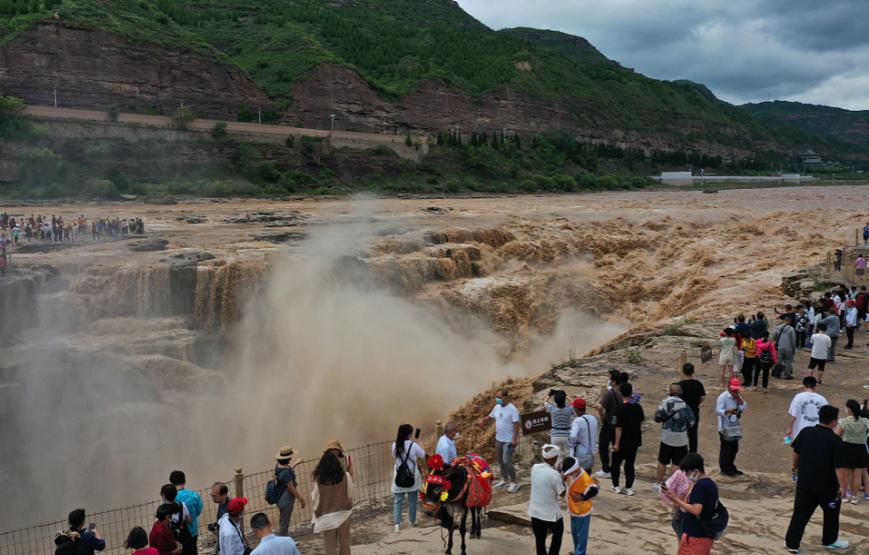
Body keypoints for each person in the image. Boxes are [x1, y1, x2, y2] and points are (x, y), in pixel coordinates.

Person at [785, 405, 850, 552]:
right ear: (834, 421)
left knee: (800, 514)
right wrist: (843, 487)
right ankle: (829, 541)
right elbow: (839, 468)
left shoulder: (806, 432)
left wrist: (794, 467)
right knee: (831, 515)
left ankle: (791, 544)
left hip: (805, 483)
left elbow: (796, 452)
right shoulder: (836, 441)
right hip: (828, 488)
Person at [663, 453, 719, 555]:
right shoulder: (710, 483)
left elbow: (696, 510)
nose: (686, 475)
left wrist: (676, 499)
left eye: (687, 472)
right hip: (703, 534)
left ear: (696, 471)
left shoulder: (700, 487)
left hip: (697, 535)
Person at [478, 388, 521, 492]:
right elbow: (490, 416)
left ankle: (514, 482)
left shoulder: (512, 409)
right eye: (497, 397)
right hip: (498, 439)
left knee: (508, 462)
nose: (497, 399)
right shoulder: (497, 407)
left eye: (499, 397)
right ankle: (505, 480)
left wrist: (514, 439)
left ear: (506, 397)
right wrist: (483, 420)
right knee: (501, 461)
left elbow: (516, 424)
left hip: (508, 440)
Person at [311, 450, 353, 555]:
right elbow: (351, 492)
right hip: (344, 513)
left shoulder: (319, 480)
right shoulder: (345, 476)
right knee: (345, 545)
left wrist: (317, 511)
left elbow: (315, 498)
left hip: (326, 517)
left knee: (330, 548)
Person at [654, 384, 695, 488]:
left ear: (670, 392)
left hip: (667, 437)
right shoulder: (685, 405)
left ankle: (658, 483)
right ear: (681, 393)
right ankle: (670, 486)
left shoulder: (665, 402)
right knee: (677, 463)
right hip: (681, 439)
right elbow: (692, 422)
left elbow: (657, 418)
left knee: (662, 461)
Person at [528, 444, 565, 555]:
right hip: (550, 514)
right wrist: (562, 478)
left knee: (540, 541)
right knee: (558, 533)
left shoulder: (535, 468)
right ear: (554, 459)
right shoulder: (554, 475)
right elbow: (562, 493)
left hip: (535, 512)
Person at [610, 382, 644, 496]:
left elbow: (618, 428)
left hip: (622, 441)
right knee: (630, 465)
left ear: (621, 393)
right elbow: (641, 420)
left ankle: (616, 486)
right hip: (634, 441)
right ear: (631, 392)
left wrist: (616, 443)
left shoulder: (618, 409)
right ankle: (628, 487)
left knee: (615, 464)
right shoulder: (638, 407)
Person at [391, 423, 426, 531]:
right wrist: (420, 442)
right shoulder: (413, 445)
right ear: (410, 434)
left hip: (399, 476)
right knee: (412, 500)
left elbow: (394, 455)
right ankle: (411, 522)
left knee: (398, 500)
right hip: (411, 476)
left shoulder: (394, 445)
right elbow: (423, 454)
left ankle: (397, 525)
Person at [835, 400, 869, 505]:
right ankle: (854, 497)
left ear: (849, 409)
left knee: (847, 475)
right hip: (861, 449)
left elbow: (837, 435)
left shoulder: (844, 421)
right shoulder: (865, 421)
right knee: (858, 475)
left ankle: (845, 496)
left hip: (847, 448)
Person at [562, 456, 598, 555]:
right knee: (575, 534)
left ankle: (581, 553)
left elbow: (594, 490)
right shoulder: (572, 474)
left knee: (582, 536)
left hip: (582, 512)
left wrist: (582, 497)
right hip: (573, 509)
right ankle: (577, 550)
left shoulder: (585, 478)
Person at [594, 370, 625, 478]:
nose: (609, 381)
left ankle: (606, 469)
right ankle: (615, 468)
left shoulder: (609, 393)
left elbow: (599, 407)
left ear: (614, 381)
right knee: (617, 446)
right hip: (620, 425)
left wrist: (602, 416)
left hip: (609, 424)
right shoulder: (624, 392)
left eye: (610, 379)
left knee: (603, 446)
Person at [716, 377, 747, 477]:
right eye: (734, 389)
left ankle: (731, 466)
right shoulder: (723, 397)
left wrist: (739, 400)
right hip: (725, 427)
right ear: (729, 388)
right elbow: (717, 411)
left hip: (734, 426)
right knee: (726, 449)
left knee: (734, 448)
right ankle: (724, 468)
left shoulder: (737, 396)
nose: (735, 391)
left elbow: (745, 407)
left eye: (737, 389)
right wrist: (727, 411)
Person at [273, 446, 306, 537]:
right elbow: (291, 488)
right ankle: (283, 543)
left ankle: (283, 540)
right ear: (288, 458)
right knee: (284, 524)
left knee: (284, 521)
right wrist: (301, 499)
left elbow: (287, 470)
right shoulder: (286, 473)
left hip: (280, 497)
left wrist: (296, 464)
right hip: (286, 499)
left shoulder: (278, 466)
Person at [170, 471, 202, 555]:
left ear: (171, 483)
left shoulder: (170, 498)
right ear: (184, 481)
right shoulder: (194, 495)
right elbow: (198, 511)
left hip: (177, 534)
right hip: (192, 531)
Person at [787, 377, 828, 442]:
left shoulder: (798, 397)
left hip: (800, 431)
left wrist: (789, 428)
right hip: (817, 433)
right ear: (815, 386)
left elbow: (794, 415)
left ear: (804, 385)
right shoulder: (822, 399)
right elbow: (827, 417)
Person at [658, 468, 692, 539]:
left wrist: (675, 500)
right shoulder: (681, 473)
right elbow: (665, 488)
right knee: (682, 534)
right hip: (682, 510)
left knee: (682, 535)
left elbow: (666, 487)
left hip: (685, 510)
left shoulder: (680, 472)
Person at [679, 363, 706, 454]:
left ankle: (682, 453)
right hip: (694, 411)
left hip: (682, 412)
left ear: (683, 372)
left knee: (682, 433)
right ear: (693, 372)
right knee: (693, 434)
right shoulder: (698, 384)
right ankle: (693, 454)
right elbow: (702, 398)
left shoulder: (679, 385)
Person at [544, 389, 574, 464]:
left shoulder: (552, 409)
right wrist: (566, 395)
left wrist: (549, 395)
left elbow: (545, 402)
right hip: (567, 436)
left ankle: (558, 472)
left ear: (555, 401)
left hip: (555, 436)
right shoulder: (569, 409)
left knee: (557, 456)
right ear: (564, 400)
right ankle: (567, 471)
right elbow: (574, 403)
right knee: (568, 456)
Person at [569, 397, 598, 472]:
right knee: (588, 473)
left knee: (579, 473)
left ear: (575, 409)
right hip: (591, 451)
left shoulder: (577, 420)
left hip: (581, 452)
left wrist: (572, 444)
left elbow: (573, 436)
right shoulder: (593, 418)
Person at [159, 484, 192, 550]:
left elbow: (160, 526)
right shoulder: (182, 505)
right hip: (184, 538)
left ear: (163, 496)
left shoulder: (161, 510)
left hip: (171, 541)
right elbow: (189, 520)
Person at [773, 315, 797, 379]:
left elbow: (774, 337)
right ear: (789, 321)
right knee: (788, 361)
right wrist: (793, 348)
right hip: (789, 348)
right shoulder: (791, 329)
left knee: (779, 361)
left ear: (783, 321)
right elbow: (793, 340)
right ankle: (787, 375)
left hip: (779, 347)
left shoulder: (777, 327)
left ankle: (777, 374)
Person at [208, 483, 229, 554]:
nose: (212, 498)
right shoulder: (221, 503)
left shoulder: (230, 509)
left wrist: (217, 533)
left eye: (214, 496)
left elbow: (230, 534)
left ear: (223, 495)